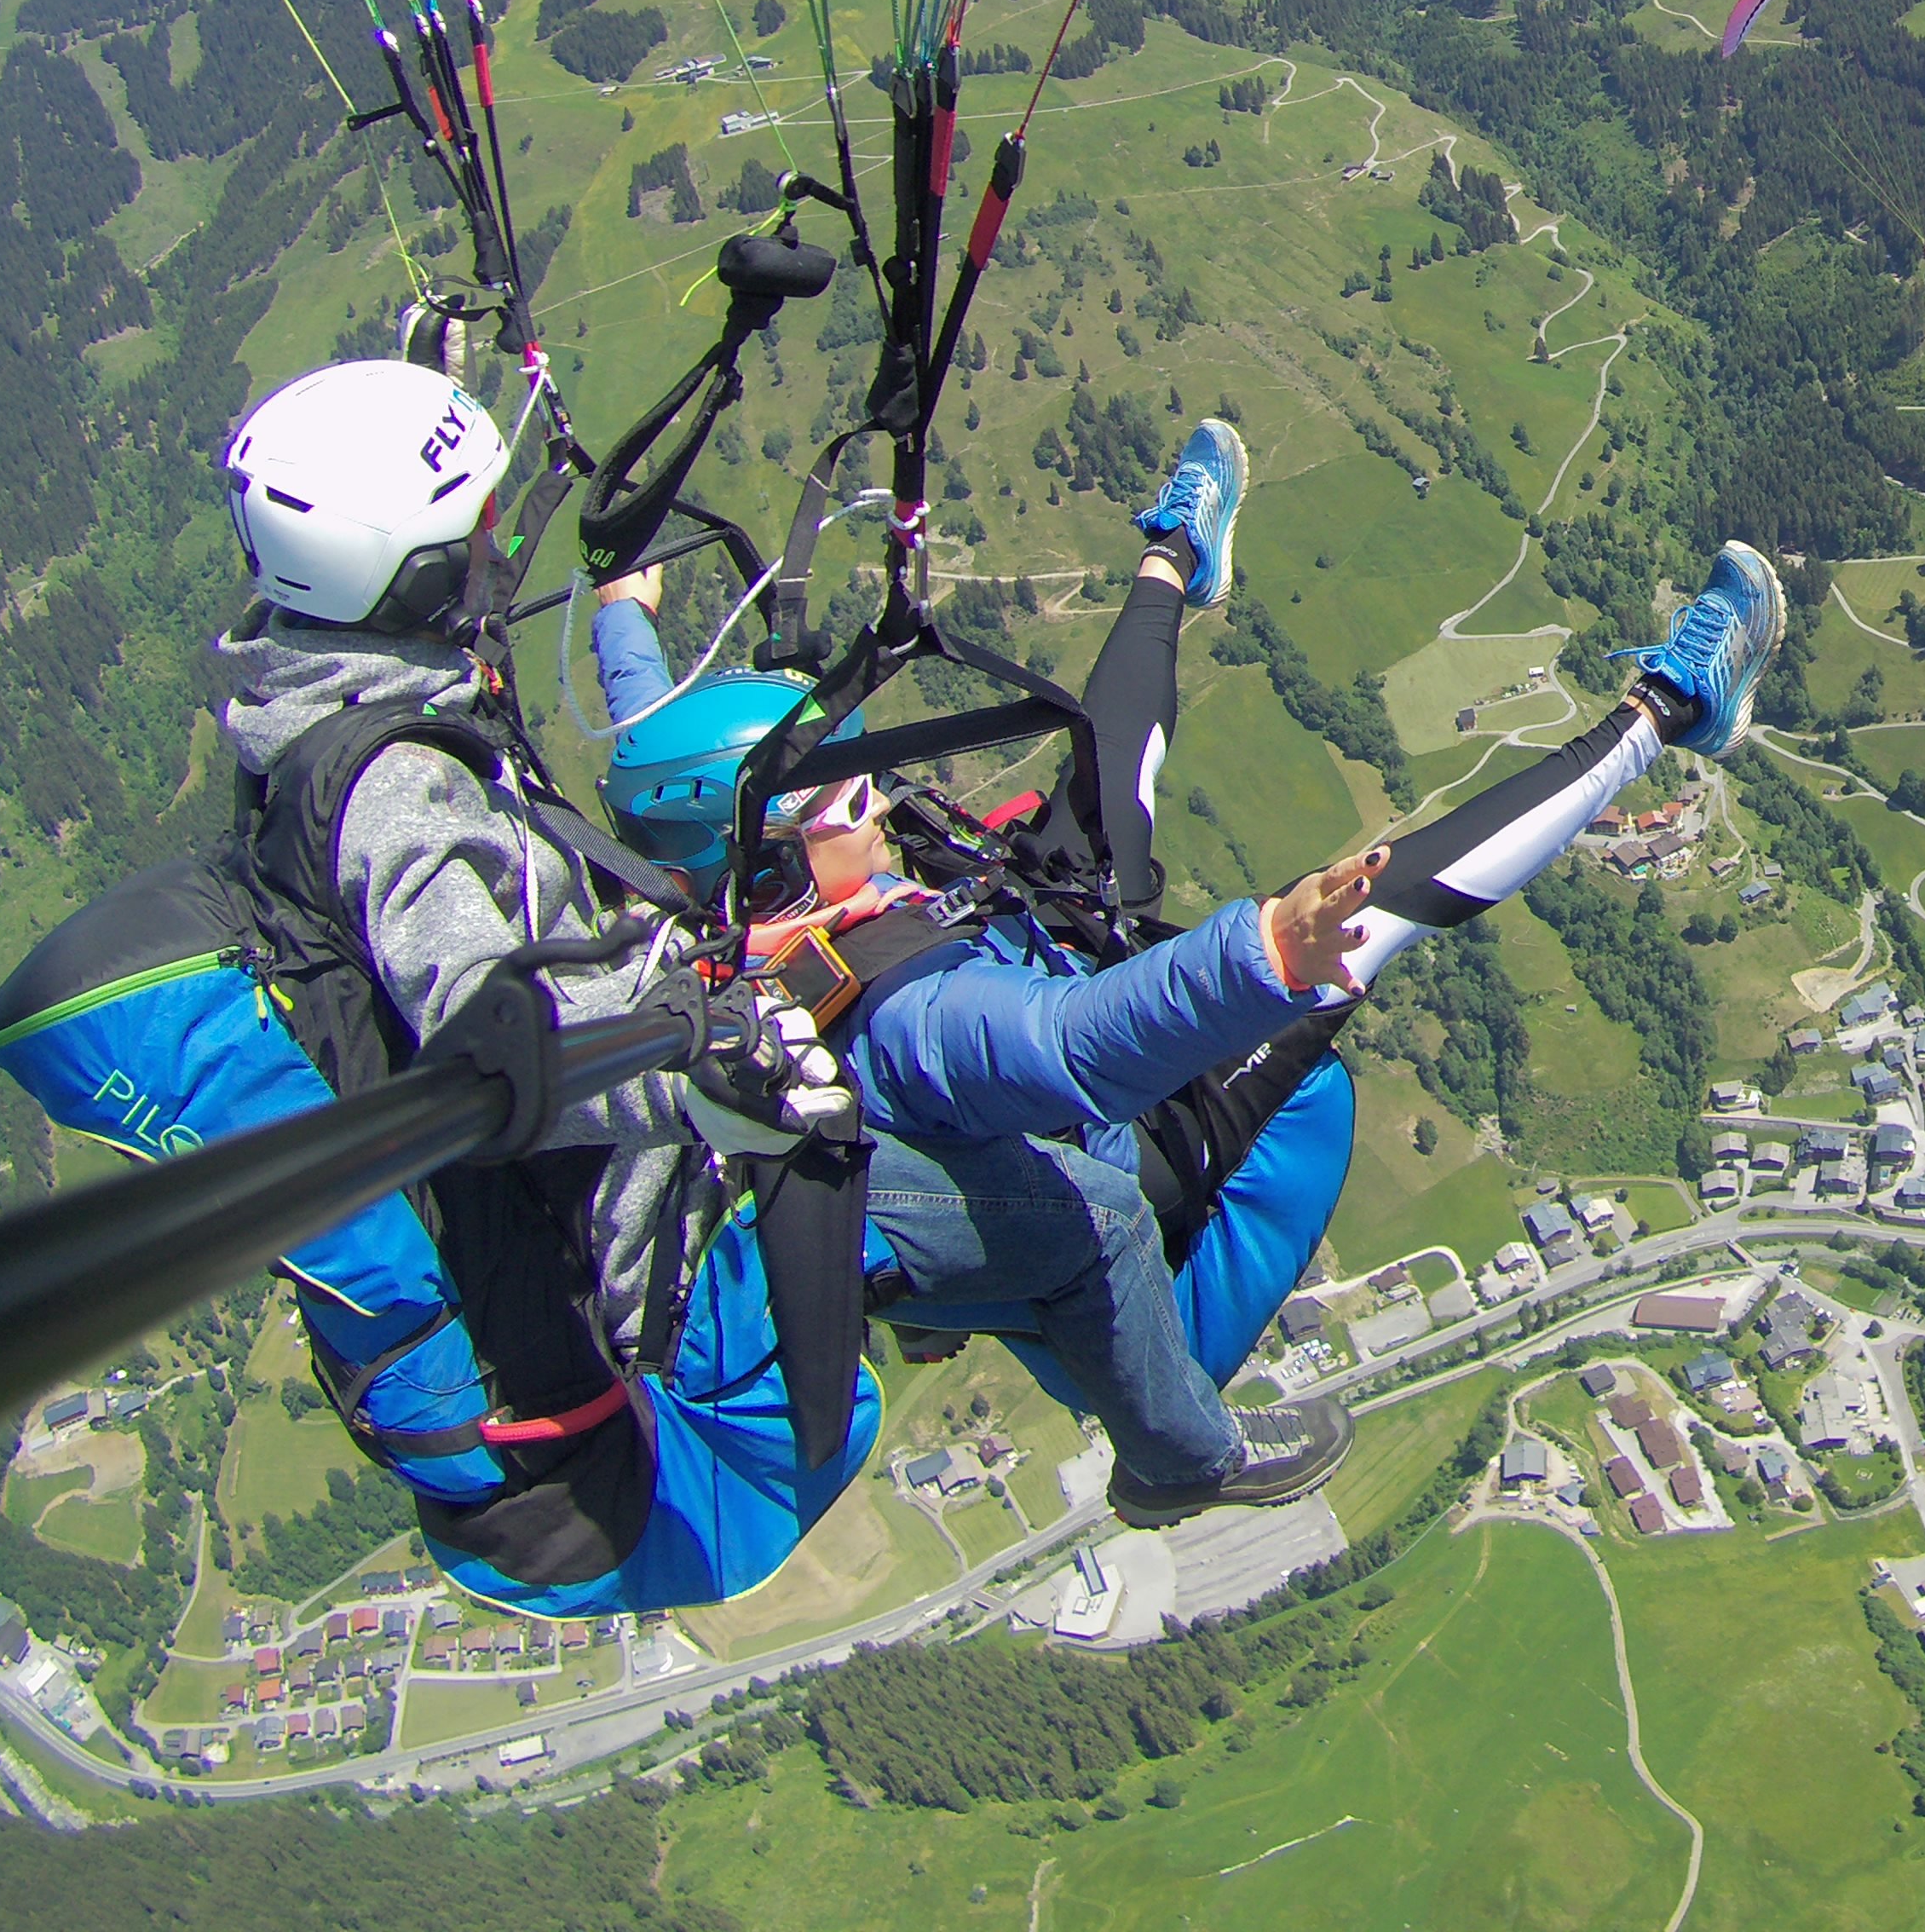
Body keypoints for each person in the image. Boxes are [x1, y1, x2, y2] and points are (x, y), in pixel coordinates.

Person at [589, 417, 1786, 1522]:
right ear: (780, 864)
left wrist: (618, 611)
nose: (872, 796)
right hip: (1143, 1216)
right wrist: (1261, 957)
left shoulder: (723, 918)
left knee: (1104, 777)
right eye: (847, 793)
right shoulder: (921, 1023)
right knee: (1388, 904)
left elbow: (655, 754)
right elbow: (1073, 1046)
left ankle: (1175, 554)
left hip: (998, 954)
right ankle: (1668, 709)